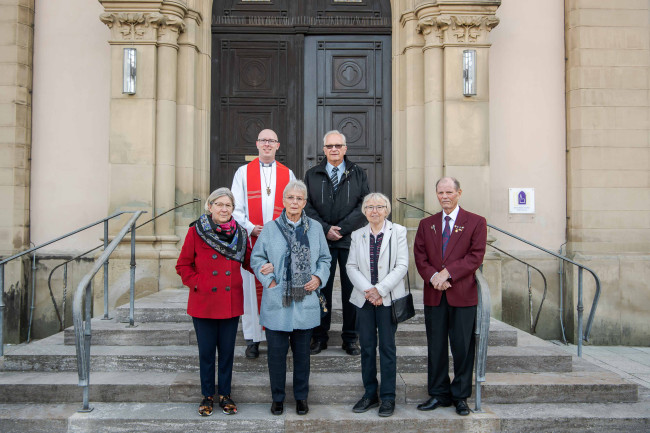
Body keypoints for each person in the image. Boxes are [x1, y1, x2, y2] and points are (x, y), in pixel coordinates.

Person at [176, 187, 274, 416]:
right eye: (219, 204)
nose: (223, 209)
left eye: (228, 205)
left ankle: (226, 395)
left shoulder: (240, 234)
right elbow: (183, 265)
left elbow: (249, 261)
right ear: (209, 207)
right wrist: (198, 282)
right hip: (204, 302)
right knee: (207, 353)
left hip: (230, 302)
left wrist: (266, 268)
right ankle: (207, 395)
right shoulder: (196, 231)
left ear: (233, 209)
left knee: (228, 352)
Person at [251, 180, 331, 416]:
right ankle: (277, 398)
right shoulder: (270, 228)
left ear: (305, 202)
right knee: (275, 356)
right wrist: (270, 280)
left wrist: (318, 278)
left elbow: (325, 259)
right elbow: (257, 259)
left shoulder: (315, 228)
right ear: (283, 201)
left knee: (302, 357)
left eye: (299, 198)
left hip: (305, 301)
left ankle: (301, 397)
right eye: (290, 198)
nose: (294, 202)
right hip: (277, 302)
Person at [413, 177, 487, 416]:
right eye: (440, 192)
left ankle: (461, 396)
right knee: (435, 347)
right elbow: (420, 256)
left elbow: (475, 256)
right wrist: (434, 276)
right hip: (435, 294)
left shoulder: (476, 222)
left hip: (462, 295)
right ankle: (438, 393)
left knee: (462, 347)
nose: (444, 196)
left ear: (459, 193)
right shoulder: (427, 224)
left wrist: (448, 274)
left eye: (449, 192)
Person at [231, 129, 296, 359]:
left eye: (271, 141)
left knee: (277, 286)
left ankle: (275, 335)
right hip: (252, 240)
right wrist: (250, 227)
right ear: (257, 144)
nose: (267, 144)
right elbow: (235, 207)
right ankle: (253, 339)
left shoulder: (287, 174)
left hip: (280, 242)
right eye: (263, 141)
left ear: (278, 146)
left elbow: (294, 205)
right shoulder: (243, 172)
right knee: (250, 289)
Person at [304, 130, 369, 356]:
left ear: (345, 148)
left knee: (352, 291)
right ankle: (319, 336)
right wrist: (325, 229)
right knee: (321, 289)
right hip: (321, 242)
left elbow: (365, 204)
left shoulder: (359, 173)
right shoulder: (312, 174)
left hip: (350, 240)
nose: (334, 149)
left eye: (338, 146)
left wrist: (341, 229)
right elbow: (306, 205)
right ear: (324, 150)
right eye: (330, 146)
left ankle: (351, 338)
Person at [346, 192, 408, 418]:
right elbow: (351, 266)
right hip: (364, 300)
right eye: (369, 207)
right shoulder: (357, 235)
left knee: (388, 349)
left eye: (379, 207)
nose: (374, 211)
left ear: (387, 210)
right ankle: (370, 393)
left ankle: (388, 397)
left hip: (388, 299)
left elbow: (402, 266)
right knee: (367, 348)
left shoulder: (398, 232)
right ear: (364, 211)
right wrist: (368, 292)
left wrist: (380, 291)